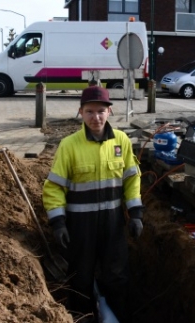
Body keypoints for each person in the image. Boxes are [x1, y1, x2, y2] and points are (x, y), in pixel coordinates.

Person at [42, 86, 144, 323]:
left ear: (110, 111)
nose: (95, 117)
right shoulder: (69, 145)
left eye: (100, 111)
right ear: (80, 112)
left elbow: (131, 179)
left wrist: (136, 213)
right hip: (80, 227)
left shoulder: (122, 141)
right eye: (89, 111)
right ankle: (81, 318)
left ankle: (119, 316)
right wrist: (58, 223)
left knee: (117, 276)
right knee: (81, 278)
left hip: (113, 224)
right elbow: (54, 187)